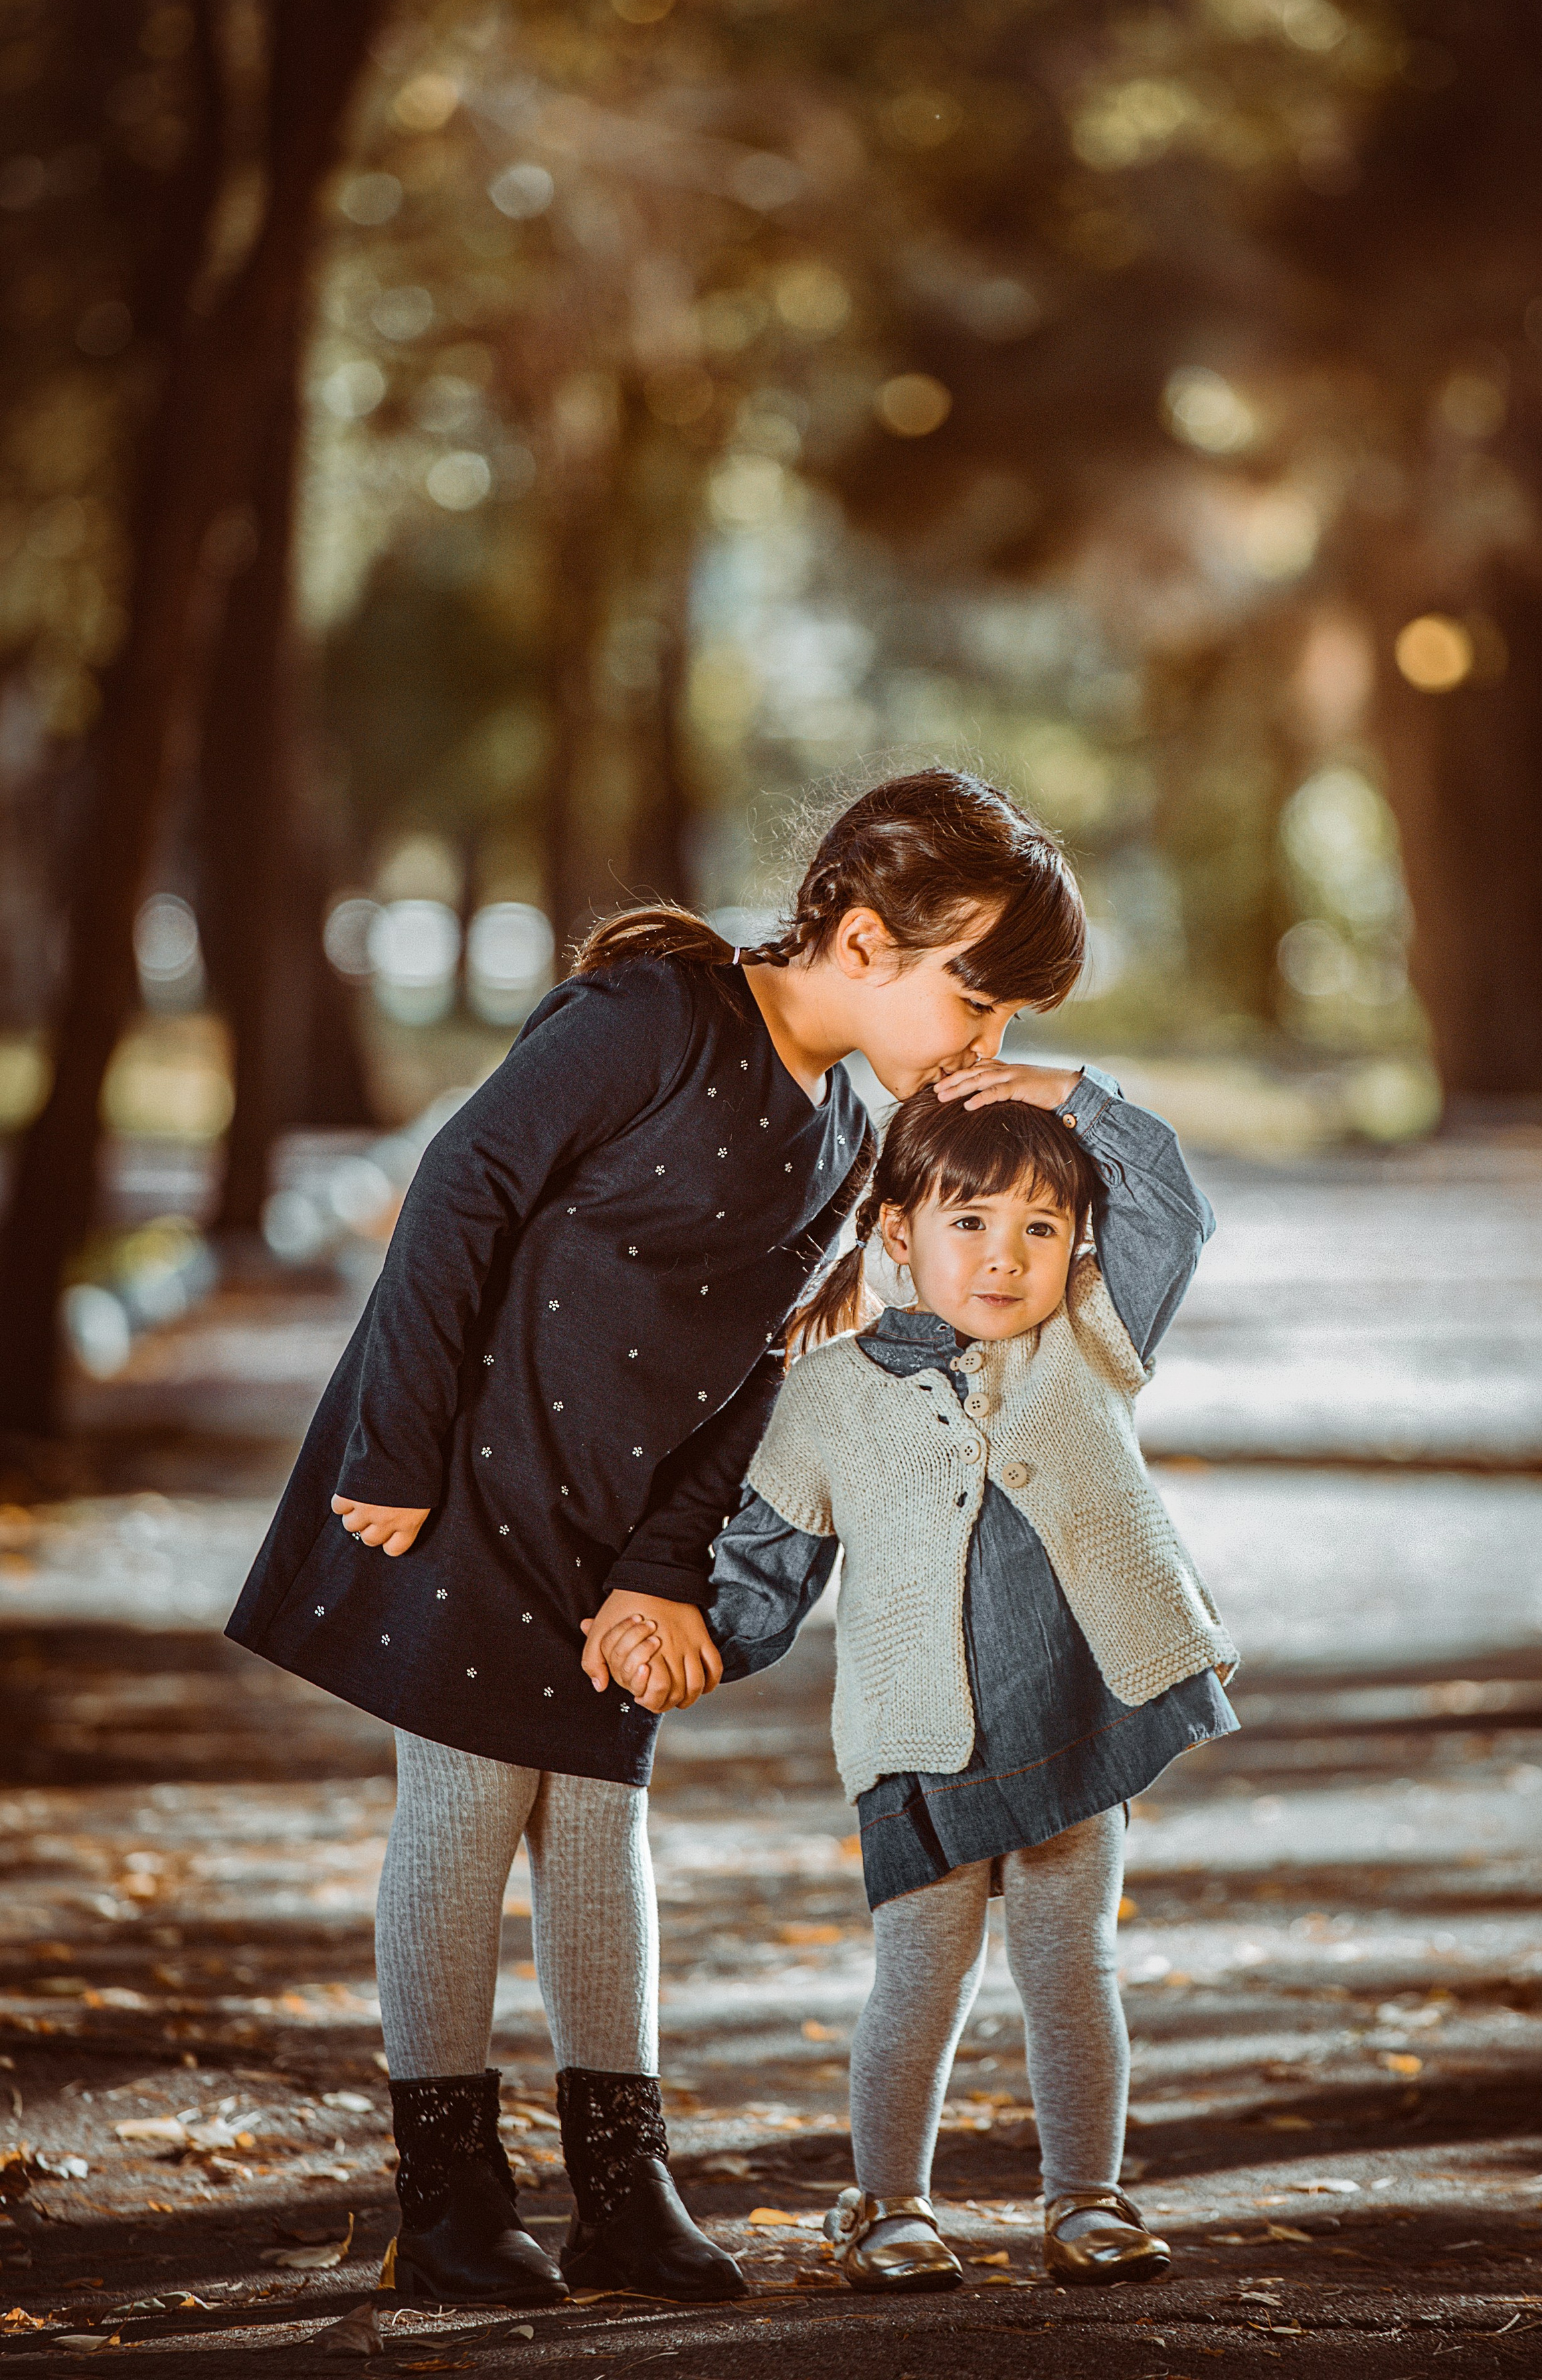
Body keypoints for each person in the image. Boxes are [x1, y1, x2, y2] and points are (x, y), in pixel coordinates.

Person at [224, 768, 1088, 2306]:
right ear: (866, 941)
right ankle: (447, 2200)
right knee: (467, 1805)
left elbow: (754, 1368)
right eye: (978, 996)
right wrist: (395, 1444)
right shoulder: (649, 1020)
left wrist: (658, 1566)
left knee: (598, 1820)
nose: (989, 1040)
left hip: (609, 1526)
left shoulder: (842, 1132)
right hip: (470, 1478)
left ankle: (621, 2190)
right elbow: (457, 1193)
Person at [600, 1068, 1238, 2293]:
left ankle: (1087, 2200)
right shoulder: (826, 1395)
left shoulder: (1090, 1339)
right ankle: (889, 2207)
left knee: (1074, 1971)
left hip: (1078, 1715)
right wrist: (683, 1646)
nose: (1006, 1257)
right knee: (920, 1981)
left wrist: (1074, 1094)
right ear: (898, 1232)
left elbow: (1172, 1204)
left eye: (1041, 1228)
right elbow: (764, 1566)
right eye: (971, 1221)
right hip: (914, 1737)